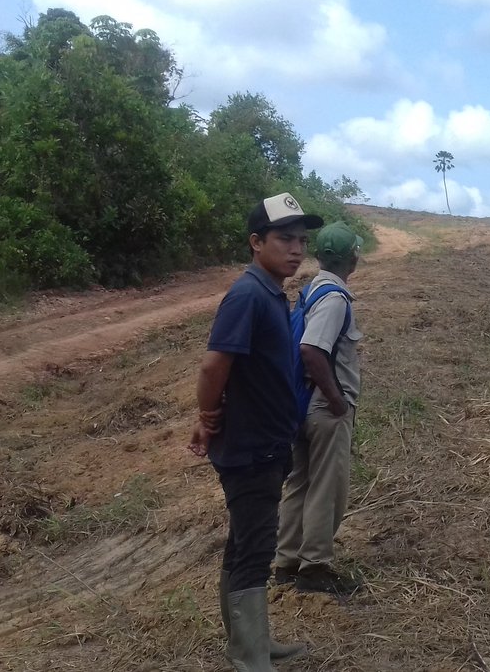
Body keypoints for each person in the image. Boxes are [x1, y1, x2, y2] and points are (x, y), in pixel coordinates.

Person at [188, 192, 323, 670]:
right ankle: (251, 657)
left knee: (246, 543)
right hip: (251, 449)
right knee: (255, 549)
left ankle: (252, 643)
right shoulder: (247, 295)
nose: (296, 249)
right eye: (284, 238)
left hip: (266, 443)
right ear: (255, 242)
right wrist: (207, 416)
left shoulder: (270, 292)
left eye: (302, 240)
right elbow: (213, 367)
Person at [274, 222, 364, 596]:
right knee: (327, 486)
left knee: (301, 482)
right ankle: (314, 567)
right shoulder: (335, 298)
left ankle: (286, 562)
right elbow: (311, 349)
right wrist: (337, 399)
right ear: (352, 258)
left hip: (302, 401)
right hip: (324, 407)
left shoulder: (312, 289)